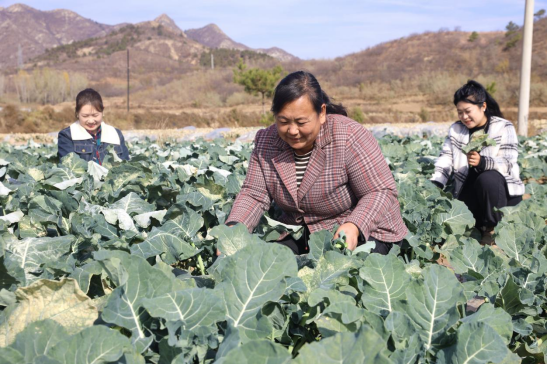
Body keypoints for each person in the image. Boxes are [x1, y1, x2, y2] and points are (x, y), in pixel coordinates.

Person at [225, 71, 407, 255]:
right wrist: (234, 229)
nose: (293, 131)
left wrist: (354, 225)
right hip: (302, 233)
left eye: (301, 122)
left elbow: (380, 191)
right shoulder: (267, 141)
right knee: (266, 267)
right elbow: (254, 195)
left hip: (365, 231)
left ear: (321, 113)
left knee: (345, 276)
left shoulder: (348, 136)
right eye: (283, 121)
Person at [431, 80, 524, 245]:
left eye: (468, 111)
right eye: (460, 112)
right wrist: (436, 182)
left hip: (500, 196)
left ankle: (493, 229)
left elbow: (509, 162)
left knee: (487, 178)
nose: (464, 117)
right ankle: (478, 225)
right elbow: (445, 158)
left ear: (483, 106)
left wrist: (483, 162)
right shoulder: (456, 130)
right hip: (471, 191)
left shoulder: (503, 127)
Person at [58, 88, 129, 164]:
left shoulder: (115, 134)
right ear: (77, 113)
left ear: (102, 111)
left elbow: (125, 166)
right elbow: (68, 167)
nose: (91, 121)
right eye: (85, 116)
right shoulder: (67, 135)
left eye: (95, 115)